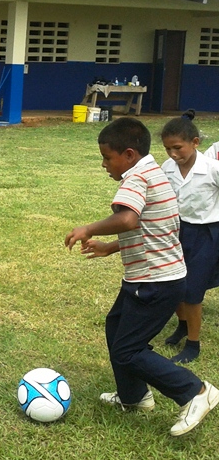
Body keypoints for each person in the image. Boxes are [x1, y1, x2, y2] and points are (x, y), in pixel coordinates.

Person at [65, 117, 218, 437]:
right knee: (116, 326)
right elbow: (151, 229)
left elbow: (129, 219)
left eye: (107, 157)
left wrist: (88, 228)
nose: (104, 164)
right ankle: (134, 395)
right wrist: (110, 247)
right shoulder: (156, 173)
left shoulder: (136, 178)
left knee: (128, 349)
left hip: (154, 281)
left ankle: (195, 391)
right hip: (156, 276)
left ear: (129, 154)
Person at [159, 111, 219, 363]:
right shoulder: (167, 168)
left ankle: (193, 343)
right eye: (168, 149)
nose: (173, 154)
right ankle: (182, 325)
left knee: (193, 290)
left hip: (206, 233)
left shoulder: (212, 169)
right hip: (176, 230)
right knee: (173, 282)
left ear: (195, 143)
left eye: (178, 148)